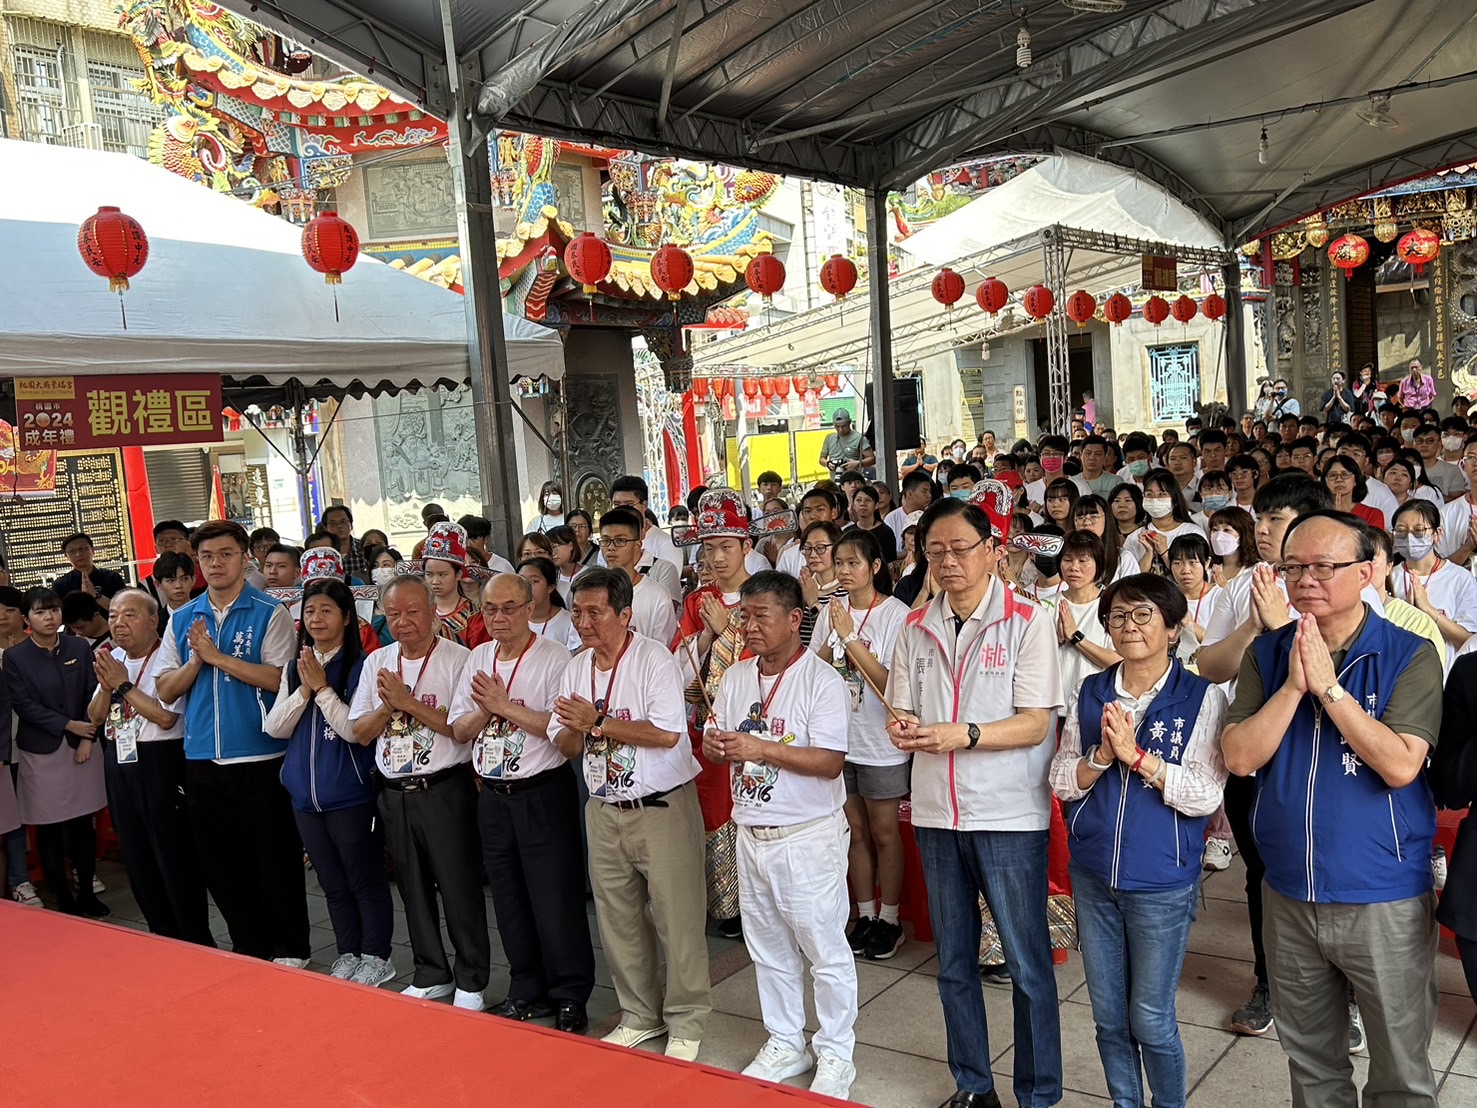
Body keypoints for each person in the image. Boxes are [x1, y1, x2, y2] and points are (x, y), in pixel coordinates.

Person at [1221, 510, 1442, 1108]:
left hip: (1383, 894)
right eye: (1293, 567)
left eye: (1324, 565)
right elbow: (1239, 757)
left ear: (1368, 570)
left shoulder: (1409, 653)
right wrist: (1294, 686)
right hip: (1289, 892)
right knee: (1313, 1066)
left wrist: (1330, 689)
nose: (1306, 579)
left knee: (1401, 1072)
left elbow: (1400, 765)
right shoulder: (1268, 656)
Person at [886, 483, 1064, 1108]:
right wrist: (903, 727)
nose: (948, 562)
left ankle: (1039, 1093)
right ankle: (973, 1086)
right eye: (935, 551)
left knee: (1025, 964)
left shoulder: (1027, 621)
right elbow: (901, 706)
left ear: (991, 551)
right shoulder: (914, 626)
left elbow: (1036, 722)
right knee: (954, 962)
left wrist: (965, 734)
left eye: (961, 548)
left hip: (1009, 815)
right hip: (936, 813)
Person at [1051, 573, 1227, 1108]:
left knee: (1150, 1017)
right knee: (1108, 1017)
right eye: (1118, 616)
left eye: (1143, 614)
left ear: (1174, 629)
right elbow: (1061, 778)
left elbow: (1204, 793)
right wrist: (1101, 759)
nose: (1128, 626)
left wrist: (1138, 758)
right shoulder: (1091, 691)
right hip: (1094, 872)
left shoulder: (1201, 697)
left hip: (1161, 880)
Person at [704, 571, 858, 1100]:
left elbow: (831, 762)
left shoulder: (823, 681)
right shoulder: (736, 677)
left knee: (824, 949)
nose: (747, 626)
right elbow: (713, 744)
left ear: (795, 619)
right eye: (743, 615)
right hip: (752, 831)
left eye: (760, 615)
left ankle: (837, 1052)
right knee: (767, 948)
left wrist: (760, 749)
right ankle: (785, 1040)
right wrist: (720, 748)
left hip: (806, 835)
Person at [551, 567, 710, 1061]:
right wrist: (578, 732)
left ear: (625, 613)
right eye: (577, 612)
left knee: (676, 919)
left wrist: (598, 722)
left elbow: (668, 734)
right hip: (603, 807)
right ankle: (640, 1015)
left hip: (660, 806)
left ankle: (686, 1020)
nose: (583, 623)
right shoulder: (577, 667)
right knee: (618, 921)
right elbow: (563, 738)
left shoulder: (653, 660)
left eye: (595, 612)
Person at [1195, 474, 1332, 1036]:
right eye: (1262, 517)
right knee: (1264, 873)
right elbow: (1211, 667)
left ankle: (1338, 993)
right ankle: (1269, 983)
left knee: (1326, 868)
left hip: (1323, 753)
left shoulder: (1342, 585)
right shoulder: (1242, 587)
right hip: (1253, 749)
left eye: (1276, 518)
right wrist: (1254, 622)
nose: (1263, 527)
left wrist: (1282, 625)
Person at [153, 519, 308, 964]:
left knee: (273, 856)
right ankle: (248, 945)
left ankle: (290, 945)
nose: (216, 563)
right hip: (202, 755)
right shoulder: (183, 617)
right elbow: (165, 688)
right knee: (221, 863)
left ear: (245, 558)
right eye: (207, 557)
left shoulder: (269, 611)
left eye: (225, 554)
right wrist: (199, 662)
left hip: (261, 754)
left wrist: (217, 657)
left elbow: (280, 677)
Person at [449, 573, 593, 1033]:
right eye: (490, 609)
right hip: (492, 794)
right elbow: (458, 729)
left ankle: (570, 994)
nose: (499, 618)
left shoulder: (554, 658)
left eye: (509, 607)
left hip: (542, 792)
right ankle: (525, 988)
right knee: (508, 900)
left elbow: (561, 730)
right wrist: (486, 710)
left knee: (555, 898)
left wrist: (503, 705)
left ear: (530, 608)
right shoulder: (477, 656)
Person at [349, 575, 488, 1009]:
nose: (403, 622)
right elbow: (359, 731)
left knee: (458, 885)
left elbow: (459, 731)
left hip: (444, 788)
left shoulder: (459, 659)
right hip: (394, 790)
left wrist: (408, 703)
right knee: (411, 886)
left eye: (413, 612)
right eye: (393, 614)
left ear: (432, 611)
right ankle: (431, 971)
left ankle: (471, 978)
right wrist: (387, 706)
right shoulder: (378, 662)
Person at [264, 578, 395, 988]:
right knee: (332, 882)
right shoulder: (295, 667)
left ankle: (377, 955)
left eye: (326, 610)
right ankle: (348, 951)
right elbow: (275, 728)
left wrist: (321, 688)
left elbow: (353, 731)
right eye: (310, 611)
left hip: (350, 795)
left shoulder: (361, 665)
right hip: (304, 798)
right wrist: (304, 688)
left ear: (345, 617)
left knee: (364, 878)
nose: (316, 618)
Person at [671, 489, 780, 936]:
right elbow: (682, 664)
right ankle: (726, 904)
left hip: (760, 718)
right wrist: (706, 635)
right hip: (710, 724)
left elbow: (774, 652)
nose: (716, 557)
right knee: (716, 806)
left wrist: (727, 630)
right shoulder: (698, 602)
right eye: (708, 547)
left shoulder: (765, 594)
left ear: (746, 547)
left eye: (725, 546)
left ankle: (762, 904)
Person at [85, 589, 211, 943]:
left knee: (172, 854)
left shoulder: (166, 658)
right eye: (113, 616)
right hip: (120, 759)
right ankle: (160, 934)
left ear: (154, 620)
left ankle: (194, 937)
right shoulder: (113, 657)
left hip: (161, 763)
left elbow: (166, 717)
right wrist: (107, 687)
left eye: (130, 616)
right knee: (137, 854)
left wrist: (122, 684)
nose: (119, 624)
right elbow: (95, 717)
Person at [809, 530, 910, 961]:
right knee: (855, 832)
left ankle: (890, 919)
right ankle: (864, 914)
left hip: (880, 741)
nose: (844, 571)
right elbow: (812, 672)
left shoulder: (896, 615)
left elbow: (892, 684)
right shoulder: (830, 611)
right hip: (840, 741)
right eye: (840, 563)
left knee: (885, 832)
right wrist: (834, 651)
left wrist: (850, 639)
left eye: (853, 563)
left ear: (875, 567)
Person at [4, 587, 107, 916]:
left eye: (53, 610)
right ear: (26, 618)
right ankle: (63, 899)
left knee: (82, 822)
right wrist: (67, 724)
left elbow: (95, 692)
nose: (49, 617)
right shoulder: (15, 657)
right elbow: (24, 705)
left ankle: (87, 893)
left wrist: (88, 734)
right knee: (48, 825)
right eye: (39, 612)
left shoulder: (78, 646)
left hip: (84, 742)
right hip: (43, 748)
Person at [1389, 500, 1477, 667]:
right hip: (1401, 673)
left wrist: (1428, 610)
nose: (1409, 537)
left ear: (1437, 535)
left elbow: (1469, 641)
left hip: (1445, 677)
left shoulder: (1460, 578)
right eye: (1401, 531)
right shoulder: (1389, 577)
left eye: (1419, 530)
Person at [598, 508, 678, 644]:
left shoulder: (658, 596)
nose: (611, 547)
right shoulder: (592, 591)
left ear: (637, 545)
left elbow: (663, 649)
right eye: (605, 541)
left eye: (620, 540)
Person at [404, 521, 489, 645]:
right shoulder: (416, 610)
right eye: (429, 574)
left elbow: (478, 656)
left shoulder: (474, 613)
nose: (435, 581)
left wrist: (442, 632)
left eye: (442, 574)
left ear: (459, 574)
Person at [611, 475, 684, 574]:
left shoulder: (666, 544)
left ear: (644, 505)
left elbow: (668, 586)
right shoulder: (608, 545)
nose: (622, 510)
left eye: (629, 504)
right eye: (617, 504)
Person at [1071, 495, 1137, 582]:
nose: (1087, 523)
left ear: (1106, 519)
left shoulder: (1124, 558)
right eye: (1080, 518)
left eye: (1094, 517)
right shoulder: (1067, 557)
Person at [54, 533, 126, 611]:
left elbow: (124, 609)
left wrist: (96, 596)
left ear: (93, 550)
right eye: (72, 551)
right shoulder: (60, 584)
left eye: (82, 548)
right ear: (66, 557)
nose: (78, 554)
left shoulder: (113, 578)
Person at [1208, 507, 1256, 587]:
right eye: (1215, 530)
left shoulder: (1255, 570)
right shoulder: (1208, 568)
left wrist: (1224, 588)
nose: (1218, 537)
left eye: (1226, 530)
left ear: (1243, 534)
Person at [850, 484, 898, 563]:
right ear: (853, 505)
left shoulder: (886, 532)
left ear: (876, 505)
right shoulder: (848, 532)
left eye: (868, 500)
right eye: (858, 500)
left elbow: (891, 562)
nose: (863, 504)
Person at [819, 410, 875, 476]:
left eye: (844, 426)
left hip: (854, 479)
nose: (841, 430)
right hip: (835, 480)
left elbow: (872, 459)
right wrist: (827, 464)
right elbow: (821, 459)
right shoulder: (829, 438)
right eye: (837, 426)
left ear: (849, 423)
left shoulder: (859, 438)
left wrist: (857, 463)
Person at [320, 505, 369, 580]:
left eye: (343, 522)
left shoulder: (364, 548)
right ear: (325, 528)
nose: (339, 526)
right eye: (333, 523)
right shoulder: (321, 553)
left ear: (351, 525)